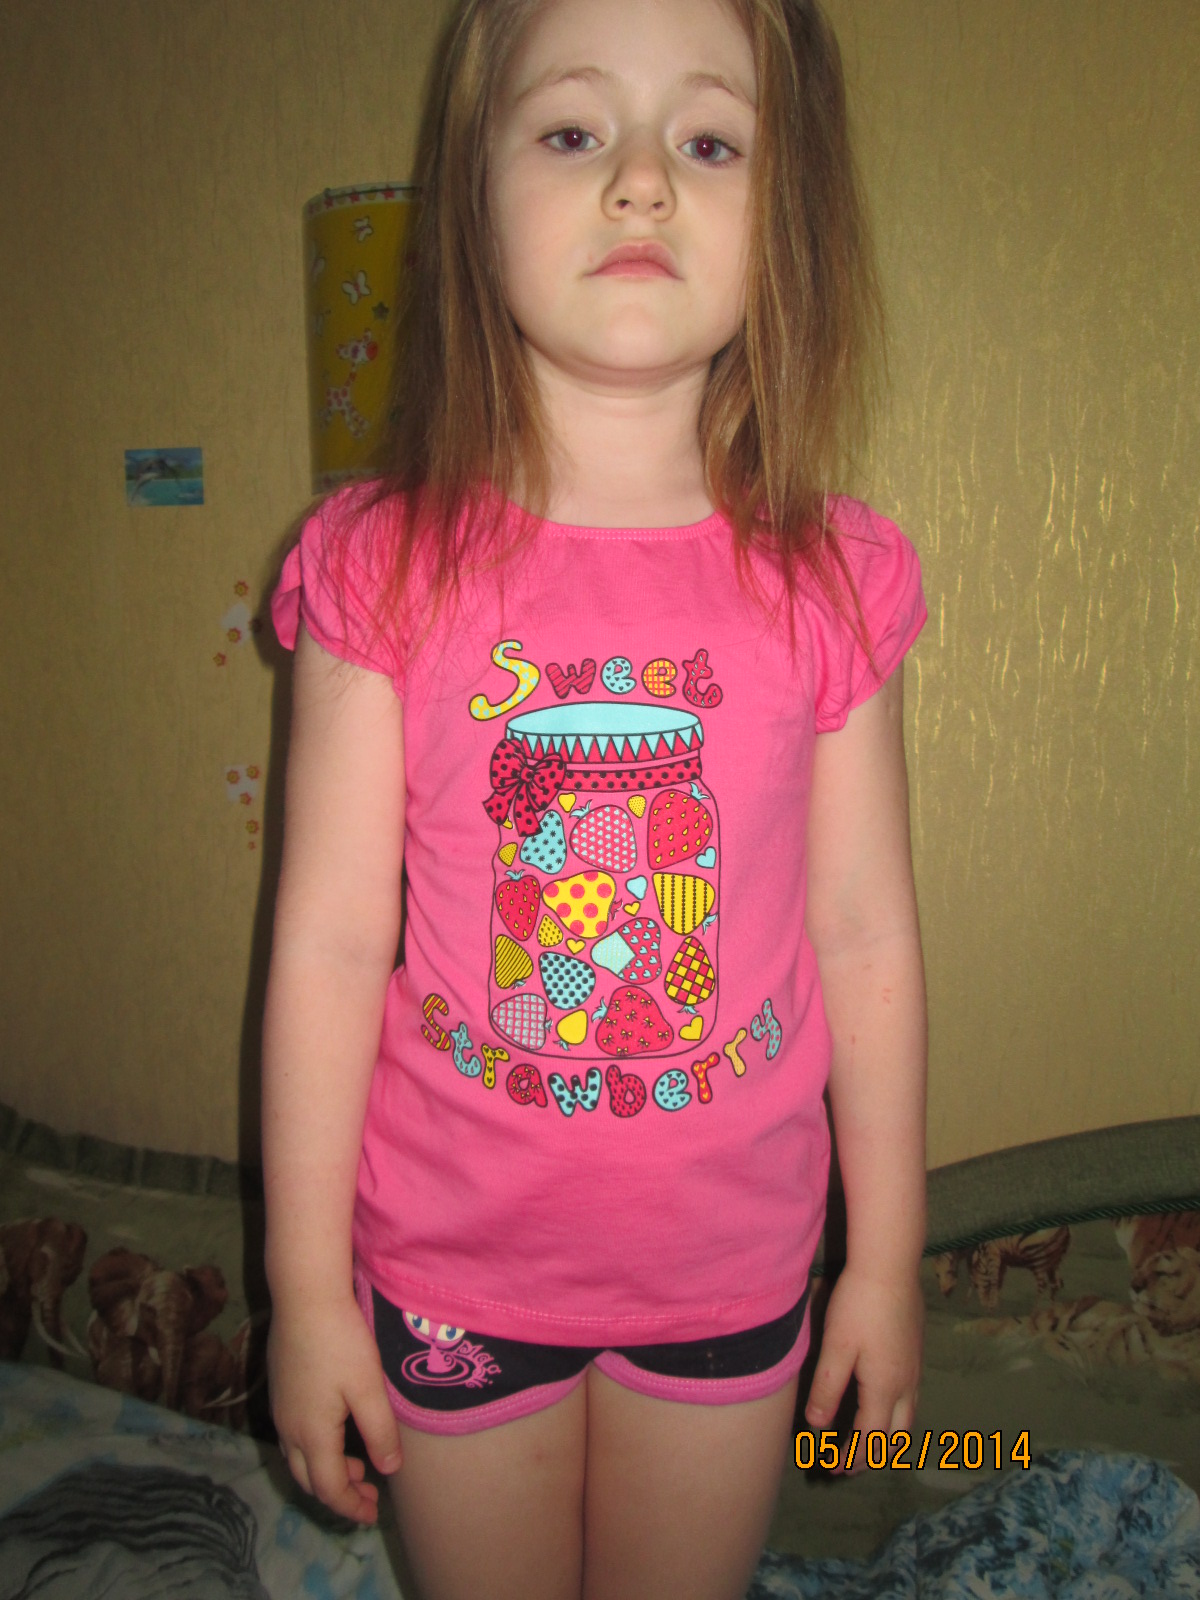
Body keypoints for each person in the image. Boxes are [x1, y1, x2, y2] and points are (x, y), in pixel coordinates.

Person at [262, 0, 928, 1595]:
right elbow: (331, 948)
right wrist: (305, 1295)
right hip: (450, 1268)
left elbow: (864, 932)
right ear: (471, 193)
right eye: (574, 131)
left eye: (709, 140)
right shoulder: (379, 565)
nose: (641, 179)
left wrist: (887, 1267)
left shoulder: (833, 578)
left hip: (734, 1272)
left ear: (791, 216)